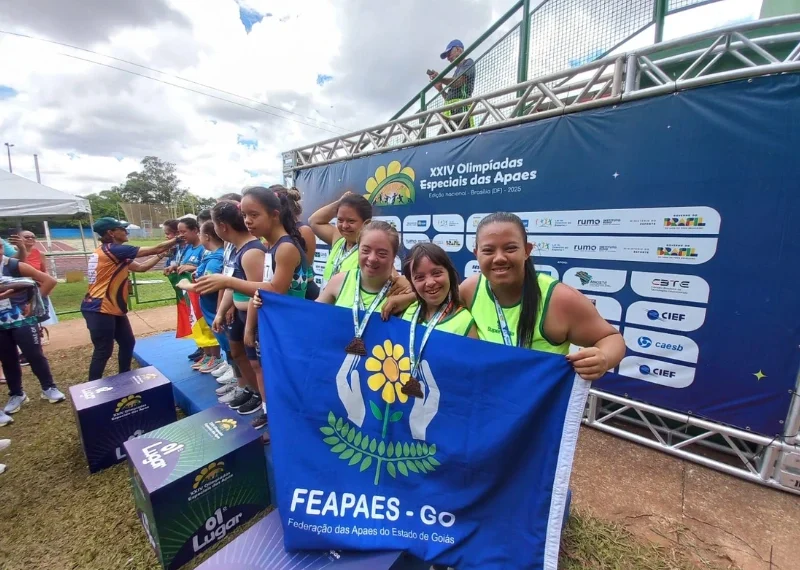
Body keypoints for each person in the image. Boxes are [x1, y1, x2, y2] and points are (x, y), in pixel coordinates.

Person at [460, 212, 625, 380]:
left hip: (541, 403)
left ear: (527, 250)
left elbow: (611, 338)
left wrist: (603, 358)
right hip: (490, 398)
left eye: (510, 248)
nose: (499, 258)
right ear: (476, 254)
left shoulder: (559, 298)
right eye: (488, 251)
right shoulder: (469, 289)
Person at [198, 187, 308, 434]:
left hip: (293, 328)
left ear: (275, 214)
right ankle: (277, 420)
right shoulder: (271, 246)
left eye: (254, 214)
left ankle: (291, 427)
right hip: (278, 326)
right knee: (272, 376)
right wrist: (251, 324)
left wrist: (227, 282)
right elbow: (263, 295)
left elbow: (275, 290)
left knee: (288, 380)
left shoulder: (286, 247)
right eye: (245, 214)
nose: (247, 221)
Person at [81, 217, 178, 381]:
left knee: (127, 342)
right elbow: (153, 249)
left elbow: (140, 268)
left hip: (111, 307)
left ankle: (125, 378)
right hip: (100, 308)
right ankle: (92, 389)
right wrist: (178, 238)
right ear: (111, 233)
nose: (126, 231)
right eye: (122, 228)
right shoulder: (114, 250)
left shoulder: (108, 252)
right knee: (103, 350)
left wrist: (161, 255)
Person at [195, 201, 263, 420]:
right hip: (239, 313)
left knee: (257, 364)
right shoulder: (233, 248)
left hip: (252, 316)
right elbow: (230, 283)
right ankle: (253, 391)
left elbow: (259, 293)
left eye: (212, 224)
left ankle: (265, 402)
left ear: (222, 226)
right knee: (237, 354)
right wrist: (222, 311)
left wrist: (250, 328)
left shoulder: (252, 251)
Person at [0, 240, 64, 425]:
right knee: (8, 359)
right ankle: (17, 394)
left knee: (34, 354)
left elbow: (49, 281)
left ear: (2, 249)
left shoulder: (13, 265)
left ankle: (49, 388)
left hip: (22, 318)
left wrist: (33, 303)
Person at [176, 221, 226, 375]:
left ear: (206, 236)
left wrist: (185, 284)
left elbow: (207, 286)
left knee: (224, 340)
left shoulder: (215, 259)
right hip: (210, 307)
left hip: (214, 307)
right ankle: (219, 360)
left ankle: (230, 368)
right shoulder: (211, 256)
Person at [401, 242, 477, 338]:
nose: (430, 282)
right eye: (420, 277)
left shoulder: (464, 321)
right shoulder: (407, 312)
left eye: (436, 273)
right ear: (411, 282)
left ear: (449, 273)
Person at [308, 192, 372, 282]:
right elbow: (314, 221)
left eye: (351, 221)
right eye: (340, 220)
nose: (344, 226)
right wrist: (340, 202)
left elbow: (392, 277)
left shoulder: (372, 251)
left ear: (366, 223)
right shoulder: (339, 239)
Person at [271, 185, 319, 300]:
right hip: (284, 292)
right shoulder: (272, 234)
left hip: (304, 291)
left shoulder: (303, 230)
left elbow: (306, 263)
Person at [15, 230, 58, 335]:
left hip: (37, 287)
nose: (30, 238)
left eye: (33, 237)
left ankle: (37, 333)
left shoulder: (39, 254)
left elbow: (44, 270)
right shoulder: (13, 253)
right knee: (23, 313)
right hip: (20, 289)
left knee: (38, 313)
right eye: (27, 237)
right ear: (19, 238)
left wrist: (47, 285)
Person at [427, 39, 476, 129]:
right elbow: (449, 98)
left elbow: (458, 82)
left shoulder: (468, 63)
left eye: (449, 53)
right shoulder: (456, 72)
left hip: (462, 110)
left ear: (458, 49)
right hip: (450, 113)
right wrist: (440, 89)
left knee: (460, 137)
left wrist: (440, 78)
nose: (448, 58)